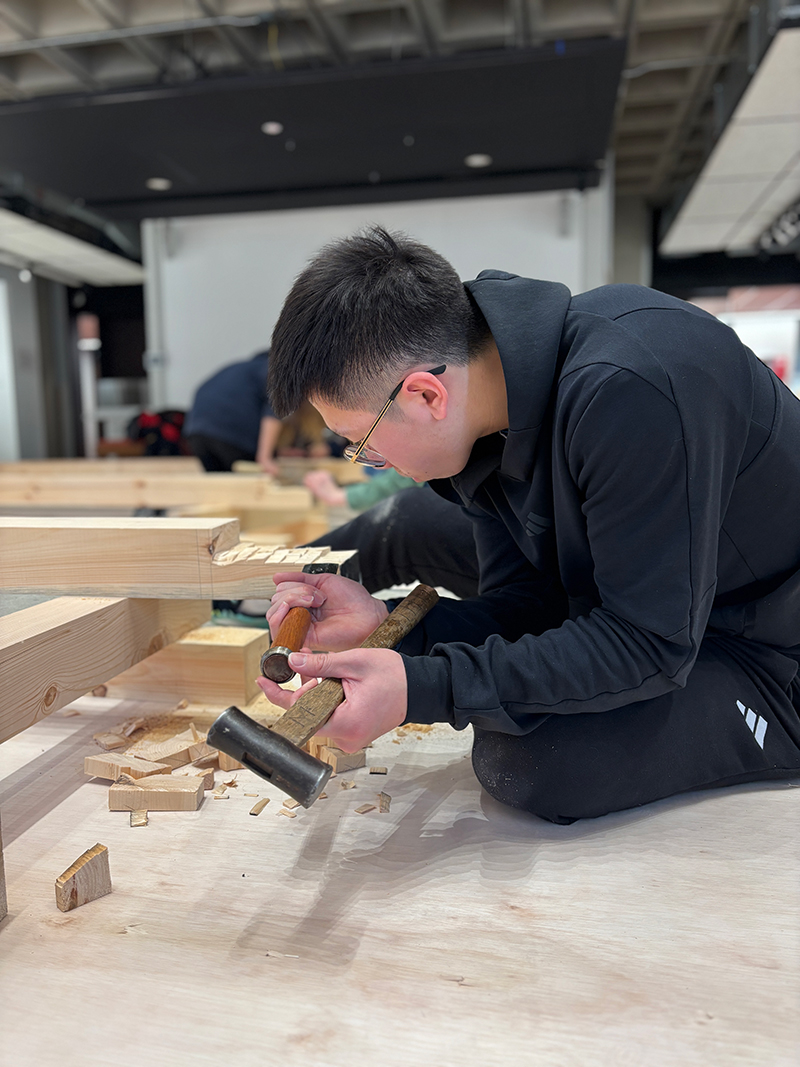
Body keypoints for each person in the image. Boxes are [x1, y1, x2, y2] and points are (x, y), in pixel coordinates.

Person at [257, 226, 800, 824]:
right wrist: (392, 631)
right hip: (673, 608)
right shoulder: (492, 411)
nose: (367, 461)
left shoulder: (632, 390)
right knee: (418, 526)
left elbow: (649, 644)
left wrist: (423, 688)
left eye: (361, 443)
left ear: (425, 395)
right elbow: (533, 606)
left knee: (540, 763)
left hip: (771, 650)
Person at [184, 350, 281, 473]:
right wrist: (265, 457)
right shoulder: (270, 369)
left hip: (196, 434)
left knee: (221, 486)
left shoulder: (241, 369)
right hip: (232, 437)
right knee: (247, 485)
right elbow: (273, 412)